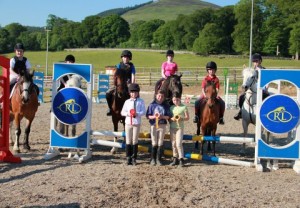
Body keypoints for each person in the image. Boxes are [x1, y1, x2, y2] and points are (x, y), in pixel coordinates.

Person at [234, 53, 268, 120]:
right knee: (241, 97)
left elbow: (266, 80)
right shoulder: (251, 70)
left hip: (262, 88)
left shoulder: (264, 70)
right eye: (254, 62)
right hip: (252, 88)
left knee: (267, 96)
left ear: (260, 61)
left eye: (257, 61)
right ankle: (241, 111)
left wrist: (266, 88)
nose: (255, 63)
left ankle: (267, 113)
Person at [121, 83, 146, 165]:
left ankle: (134, 158)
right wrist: (128, 114)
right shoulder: (127, 102)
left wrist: (137, 114)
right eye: (132, 92)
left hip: (136, 123)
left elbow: (143, 111)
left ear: (138, 93)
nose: (133, 94)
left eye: (135, 92)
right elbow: (122, 112)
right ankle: (128, 157)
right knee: (128, 140)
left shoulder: (141, 101)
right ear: (129, 93)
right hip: (128, 123)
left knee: (135, 140)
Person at [106, 50, 136, 116]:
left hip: (128, 84)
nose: (126, 59)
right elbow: (115, 75)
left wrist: (132, 85)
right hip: (119, 84)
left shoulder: (132, 66)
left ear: (129, 58)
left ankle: (133, 109)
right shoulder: (119, 65)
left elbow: (133, 76)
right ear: (122, 58)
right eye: (124, 57)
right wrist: (115, 83)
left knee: (135, 95)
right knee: (108, 93)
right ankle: (110, 108)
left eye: (127, 57)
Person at [146, 89, 171, 166]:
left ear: (163, 97)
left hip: (162, 125)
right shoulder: (151, 105)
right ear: (156, 96)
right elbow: (148, 116)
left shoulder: (166, 106)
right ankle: (152, 159)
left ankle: (159, 159)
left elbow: (168, 116)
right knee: (154, 142)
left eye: (162, 96)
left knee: (160, 142)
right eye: (159, 95)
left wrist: (162, 116)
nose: (160, 97)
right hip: (153, 125)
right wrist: (154, 116)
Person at [169, 92, 189, 167]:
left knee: (178, 144)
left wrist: (182, 118)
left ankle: (181, 158)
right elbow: (169, 118)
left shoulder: (184, 107)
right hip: (172, 127)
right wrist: (172, 118)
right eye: (174, 100)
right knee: (173, 143)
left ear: (179, 99)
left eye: (177, 100)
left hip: (179, 128)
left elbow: (187, 118)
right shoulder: (171, 108)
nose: (175, 101)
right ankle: (175, 158)